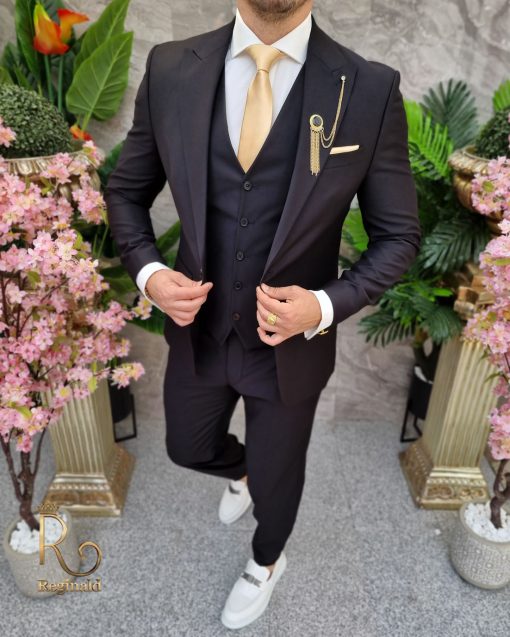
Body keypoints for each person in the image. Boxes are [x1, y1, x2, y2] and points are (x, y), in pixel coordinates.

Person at [105, 0, 421, 629]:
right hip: (200, 330)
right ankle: (240, 471)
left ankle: (266, 562)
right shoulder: (171, 67)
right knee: (187, 447)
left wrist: (323, 305)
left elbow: (398, 236)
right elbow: (126, 191)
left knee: (280, 481)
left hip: (291, 345)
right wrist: (148, 274)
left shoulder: (369, 87)